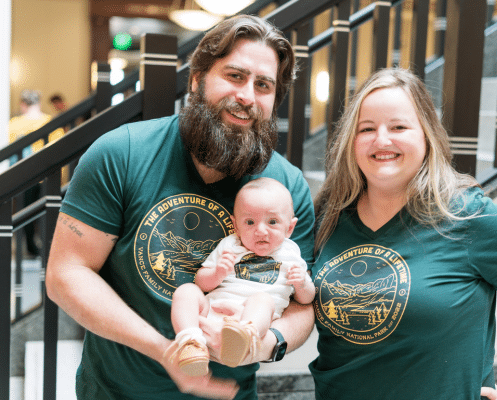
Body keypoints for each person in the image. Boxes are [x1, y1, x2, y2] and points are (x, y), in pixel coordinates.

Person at [46, 15, 315, 400]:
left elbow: (302, 306)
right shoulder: (120, 154)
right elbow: (65, 274)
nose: (247, 96)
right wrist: (165, 350)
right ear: (196, 78)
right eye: (235, 76)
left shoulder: (286, 189)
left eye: (263, 85)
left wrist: (264, 344)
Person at [309, 68, 497, 400]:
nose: (382, 140)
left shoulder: (470, 216)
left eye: (398, 127)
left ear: (426, 135)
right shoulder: (328, 216)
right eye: (366, 129)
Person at [171, 177, 315, 376]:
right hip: (212, 311)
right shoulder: (230, 245)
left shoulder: (291, 254)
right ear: (236, 226)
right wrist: (217, 273)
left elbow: (307, 299)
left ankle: (244, 338)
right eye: (249, 222)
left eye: (272, 222)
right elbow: (201, 282)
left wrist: (302, 284)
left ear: (289, 228)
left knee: (262, 299)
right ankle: (191, 342)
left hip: (254, 320)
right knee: (186, 291)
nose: (261, 230)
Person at [9, 90, 64, 257]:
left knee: (25, 212)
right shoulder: (50, 122)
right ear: (39, 103)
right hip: (46, 174)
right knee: (49, 210)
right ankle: (48, 246)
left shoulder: (14, 124)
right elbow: (59, 148)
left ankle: (30, 245)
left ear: (23, 105)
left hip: (24, 175)